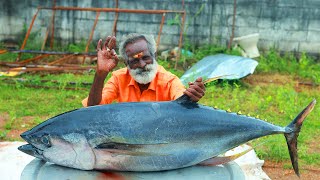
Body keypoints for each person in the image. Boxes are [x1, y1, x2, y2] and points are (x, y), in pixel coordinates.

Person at [82, 33, 205, 107]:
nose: (141, 64)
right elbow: (92, 108)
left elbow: (181, 100)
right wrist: (100, 74)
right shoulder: (119, 78)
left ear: (154, 57)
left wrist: (190, 97)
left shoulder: (169, 81)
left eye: (146, 58)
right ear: (126, 63)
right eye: (134, 61)